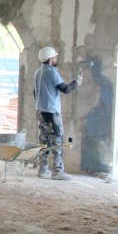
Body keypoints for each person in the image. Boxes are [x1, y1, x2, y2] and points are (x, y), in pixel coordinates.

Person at [33, 46, 83, 180]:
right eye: (55, 57)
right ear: (50, 59)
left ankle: (42, 169)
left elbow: (34, 92)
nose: (56, 59)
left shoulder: (38, 72)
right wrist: (77, 82)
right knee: (57, 140)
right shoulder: (51, 72)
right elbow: (65, 89)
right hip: (51, 112)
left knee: (43, 140)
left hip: (40, 111)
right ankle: (57, 171)